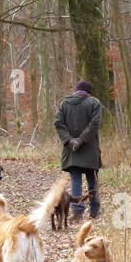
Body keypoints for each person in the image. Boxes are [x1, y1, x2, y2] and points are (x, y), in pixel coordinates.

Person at [54, 79, 103, 222]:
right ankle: (94, 211)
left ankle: (77, 212)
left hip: (72, 151)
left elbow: (58, 123)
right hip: (89, 148)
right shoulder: (94, 103)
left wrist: (70, 140)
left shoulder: (64, 103)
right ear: (89, 92)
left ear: (77, 90)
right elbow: (94, 124)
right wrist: (81, 140)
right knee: (91, 179)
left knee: (76, 179)